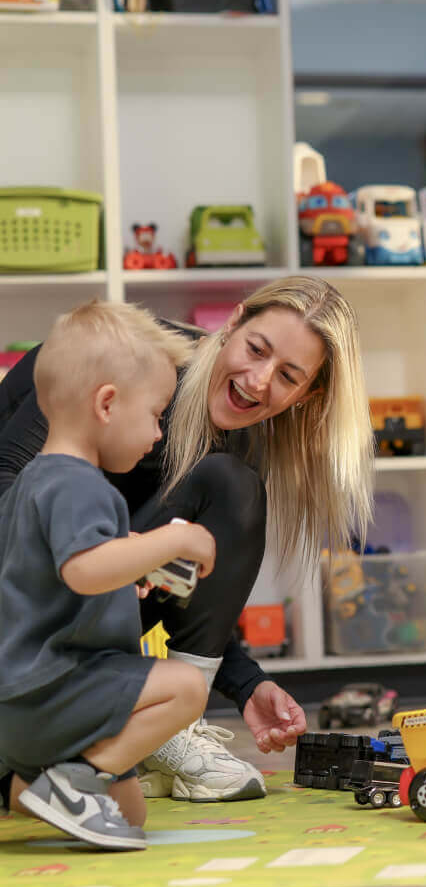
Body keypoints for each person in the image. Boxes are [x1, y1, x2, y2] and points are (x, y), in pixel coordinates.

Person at [0, 276, 374, 802]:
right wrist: (112, 553)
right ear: (233, 322)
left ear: (306, 396)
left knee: (232, 486)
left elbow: (190, 585)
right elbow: (13, 495)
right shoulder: (122, 364)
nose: (259, 380)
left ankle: (157, 731)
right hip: (21, 597)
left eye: (287, 375)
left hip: (83, 602)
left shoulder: (240, 446)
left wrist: (247, 685)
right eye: (255, 349)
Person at [0, 301, 215, 850]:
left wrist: (135, 566)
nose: (160, 433)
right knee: (186, 688)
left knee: (129, 815)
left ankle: (41, 784)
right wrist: (177, 538)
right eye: (156, 413)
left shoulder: (38, 481)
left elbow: (63, 575)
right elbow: (83, 572)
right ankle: (73, 780)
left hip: (29, 700)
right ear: (107, 404)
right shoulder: (77, 483)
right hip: (49, 685)